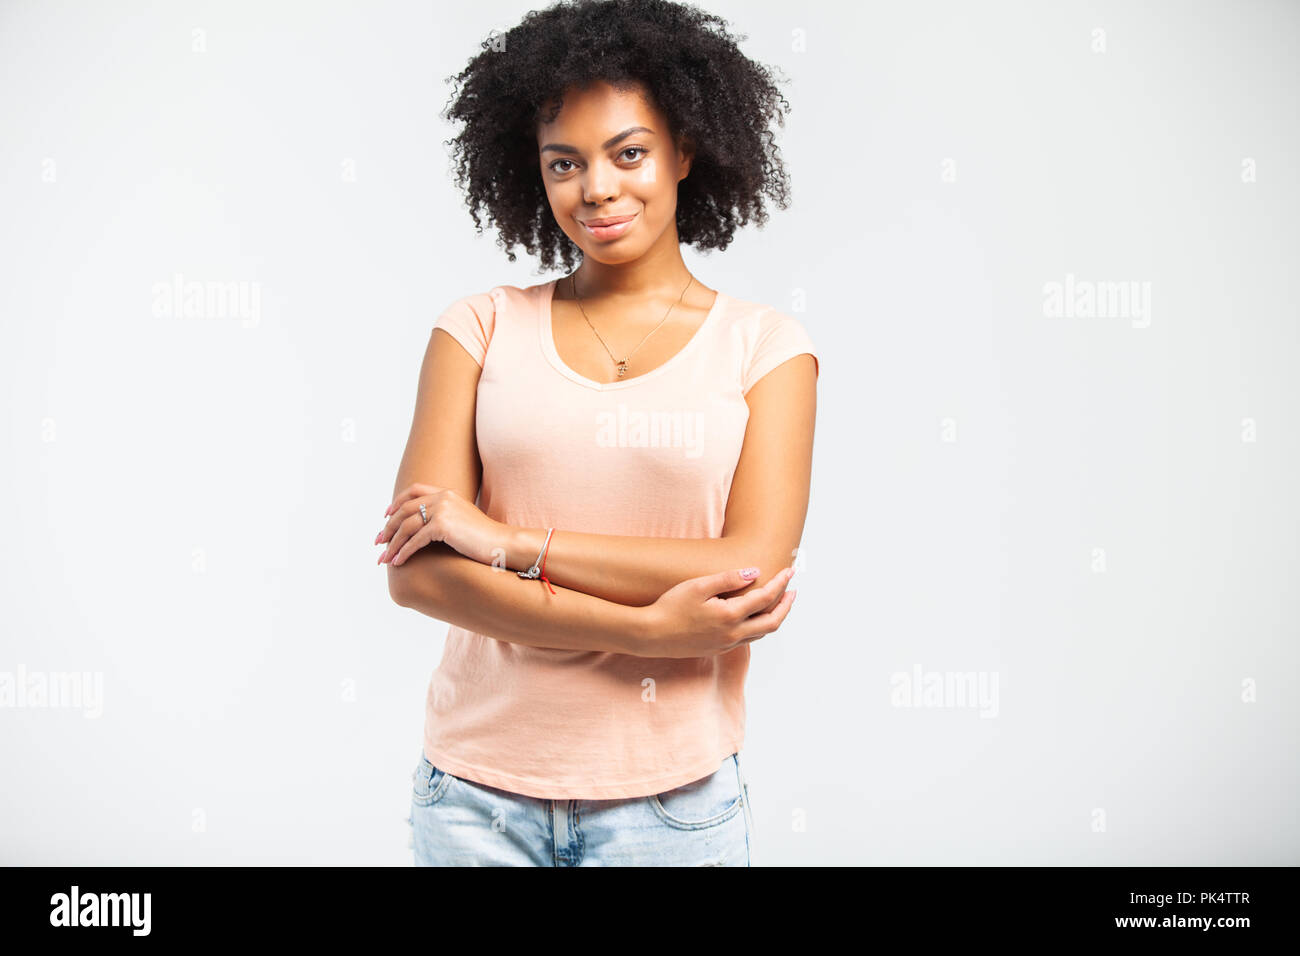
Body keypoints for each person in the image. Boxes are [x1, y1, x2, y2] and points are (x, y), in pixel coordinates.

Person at [377, 0, 818, 866]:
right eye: (565, 163)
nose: (599, 189)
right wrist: (653, 632)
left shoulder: (764, 348)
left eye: (629, 153)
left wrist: (505, 541)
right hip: (474, 800)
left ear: (685, 150)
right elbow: (421, 575)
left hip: (671, 802)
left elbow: (750, 568)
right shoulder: (478, 327)